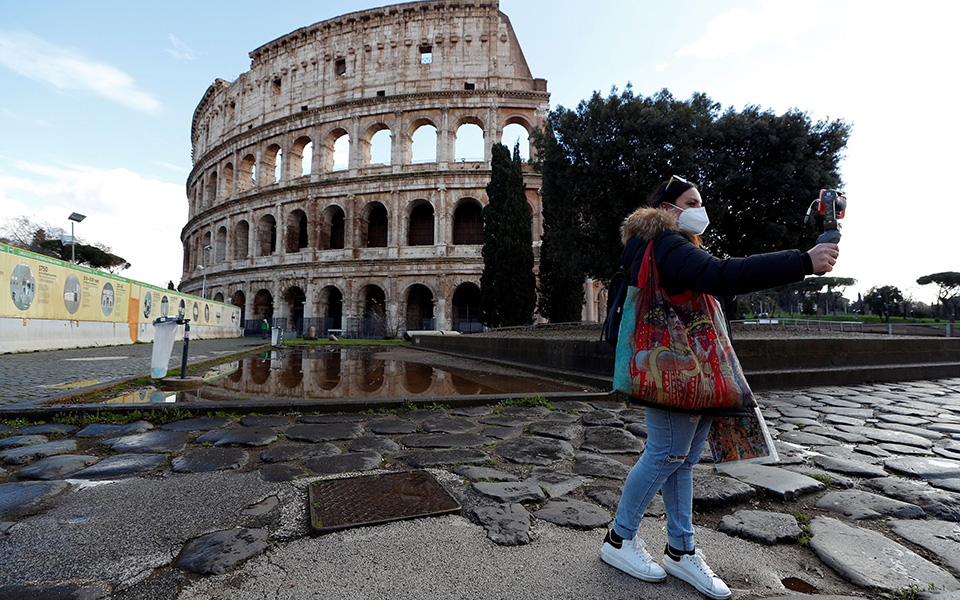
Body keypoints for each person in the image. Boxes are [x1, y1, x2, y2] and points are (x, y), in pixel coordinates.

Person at [600, 175, 839, 599]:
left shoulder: (664, 245)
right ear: (670, 208)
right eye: (691, 200)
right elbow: (723, 274)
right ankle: (619, 540)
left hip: (685, 369)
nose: (699, 208)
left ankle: (681, 548)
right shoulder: (668, 243)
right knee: (664, 455)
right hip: (678, 367)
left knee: (682, 459)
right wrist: (802, 260)